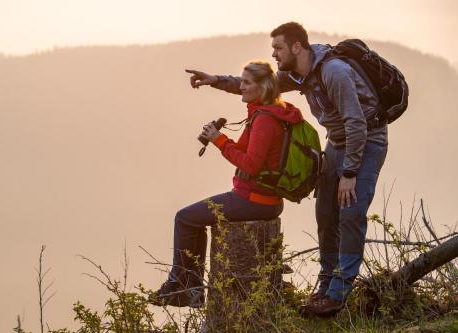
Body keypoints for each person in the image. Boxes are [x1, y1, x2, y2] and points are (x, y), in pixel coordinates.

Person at [186, 22, 388, 316]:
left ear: (297, 47)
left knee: (350, 213)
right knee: (326, 215)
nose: (274, 54)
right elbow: (261, 85)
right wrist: (214, 79)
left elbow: (356, 123)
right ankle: (325, 284)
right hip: (337, 140)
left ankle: (338, 293)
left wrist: (349, 173)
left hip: (366, 140)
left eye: (278, 48)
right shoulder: (298, 74)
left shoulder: (334, 72)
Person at [150, 60, 303, 308]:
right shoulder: (266, 113)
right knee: (193, 219)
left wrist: (219, 140)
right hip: (263, 198)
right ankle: (190, 288)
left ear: (262, 87)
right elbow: (244, 150)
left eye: (246, 82)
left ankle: (183, 286)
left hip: (254, 200)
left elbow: (251, 165)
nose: (241, 87)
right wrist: (218, 138)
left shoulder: (264, 119)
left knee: (185, 218)